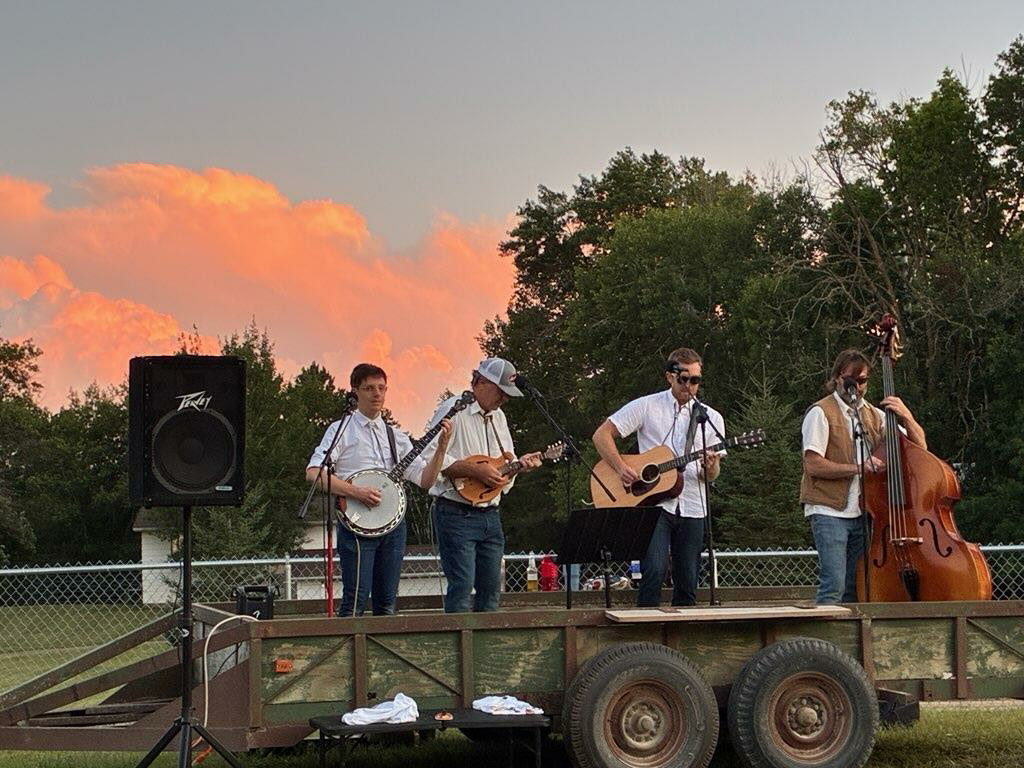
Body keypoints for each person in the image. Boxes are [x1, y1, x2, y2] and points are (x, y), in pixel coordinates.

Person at [306, 363, 451, 616]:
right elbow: (314, 473)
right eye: (369, 388)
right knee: (356, 598)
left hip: (393, 527)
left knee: (387, 600)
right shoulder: (341, 429)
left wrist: (441, 448)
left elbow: (425, 480)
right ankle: (348, 652)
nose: (377, 394)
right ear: (355, 392)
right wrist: (356, 492)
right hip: (356, 523)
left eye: (382, 388)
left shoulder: (396, 436)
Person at [592, 347, 725, 607]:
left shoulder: (710, 418)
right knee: (653, 570)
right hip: (653, 504)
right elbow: (601, 435)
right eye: (684, 379)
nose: (690, 386)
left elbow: (712, 475)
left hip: (693, 506)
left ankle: (682, 640)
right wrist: (620, 467)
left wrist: (710, 467)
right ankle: (645, 634)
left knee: (688, 581)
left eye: (695, 380)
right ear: (669, 377)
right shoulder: (647, 406)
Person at [800, 348, 927, 604]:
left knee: (855, 587)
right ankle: (826, 642)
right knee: (834, 584)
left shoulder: (873, 414)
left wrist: (907, 416)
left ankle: (850, 643)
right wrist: (860, 468)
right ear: (837, 378)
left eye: (862, 381)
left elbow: (920, 449)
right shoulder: (820, 412)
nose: (856, 386)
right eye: (850, 380)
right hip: (829, 510)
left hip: (865, 513)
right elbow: (813, 465)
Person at [428, 357, 542, 613]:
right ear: (480, 382)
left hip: (490, 513)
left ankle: (485, 650)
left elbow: (503, 466)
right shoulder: (454, 408)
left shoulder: (499, 418)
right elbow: (429, 458)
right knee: (462, 586)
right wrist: (472, 469)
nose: (504, 399)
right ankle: (459, 648)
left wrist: (517, 468)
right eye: (500, 391)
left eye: (507, 394)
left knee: (491, 590)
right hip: (456, 511)